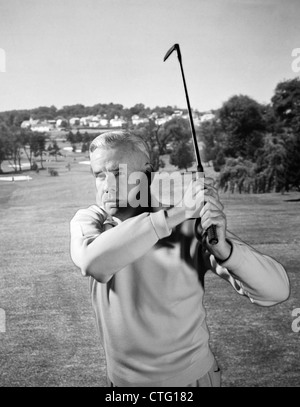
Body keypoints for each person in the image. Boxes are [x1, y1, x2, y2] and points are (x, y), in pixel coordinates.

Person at [69, 130, 290, 387]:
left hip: (191, 381)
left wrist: (225, 250)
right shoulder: (89, 221)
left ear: (147, 174)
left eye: (118, 172)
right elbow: (93, 262)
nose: (107, 184)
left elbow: (276, 291)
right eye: (99, 175)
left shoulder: (188, 229)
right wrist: (182, 210)